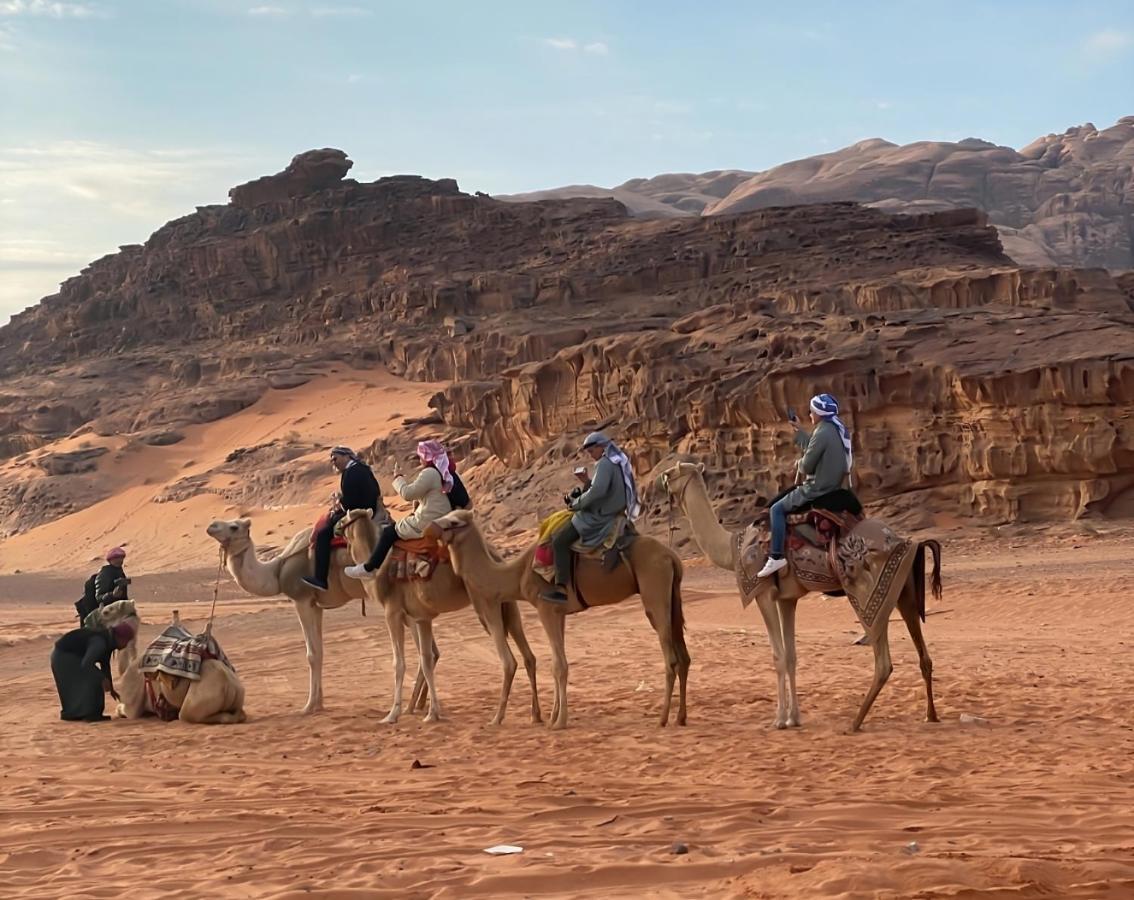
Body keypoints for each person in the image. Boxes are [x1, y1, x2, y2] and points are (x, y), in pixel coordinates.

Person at [757, 393, 853, 578]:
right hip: (834, 485)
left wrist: (798, 464)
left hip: (817, 488)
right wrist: (799, 431)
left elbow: (808, 465)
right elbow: (815, 448)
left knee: (776, 509)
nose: (810, 414)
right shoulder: (833, 429)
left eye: (812, 411)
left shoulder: (822, 432)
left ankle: (776, 556)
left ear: (818, 413)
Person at [543, 431, 641, 603]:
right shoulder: (617, 462)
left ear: (601, 446)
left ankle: (561, 589)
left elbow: (598, 492)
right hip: (611, 511)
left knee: (559, 540)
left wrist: (576, 504)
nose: (591, 454)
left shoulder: (604, 464)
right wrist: (587, 481)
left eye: (591, 451)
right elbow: (602, 488)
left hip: (599, 517)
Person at [344, 439, 459, 580]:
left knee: (389, 532)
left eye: (421, 456)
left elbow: (408, 494)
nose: (420, 460)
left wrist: (398, 478)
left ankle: (369, 568)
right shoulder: (443, 471)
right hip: (443, 515)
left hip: (428, 519)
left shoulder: (430, 473)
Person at [302, 446, 380, 592]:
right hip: (371, 511)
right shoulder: (363, 468)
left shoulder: (350, 473)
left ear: (346, 456)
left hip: (356, 513)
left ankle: (321, 579)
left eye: (335, 458)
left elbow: (351, 500)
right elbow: (375, 491)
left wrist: (339, 504)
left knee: (323, 535)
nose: (334, 462)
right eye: (332, 460)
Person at [50, 620, 137, 722]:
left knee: (94, 679)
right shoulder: (100, 642)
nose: (126, 645)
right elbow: (87, 663)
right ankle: (89, 714)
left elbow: (105, 666)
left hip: (69, 656)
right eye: (126, 641)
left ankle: (85, 713)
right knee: (93, 680)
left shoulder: (108, 642)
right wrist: (102, 678)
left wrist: (111, 688)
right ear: (118, 637)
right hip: (63, 657)